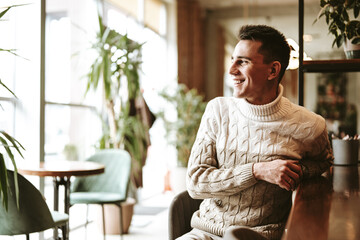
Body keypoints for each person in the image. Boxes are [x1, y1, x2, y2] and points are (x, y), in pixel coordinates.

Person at [178, 25, 333, 240]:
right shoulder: (218, 110)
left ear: (273, 70)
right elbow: (195, 183)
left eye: (243, 61)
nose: (231, 70)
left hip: (259, 237)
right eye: (232, 60)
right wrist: (257, 171)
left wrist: (291, 171)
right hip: (205, 232)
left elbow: (324, 161)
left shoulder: (311, 125)